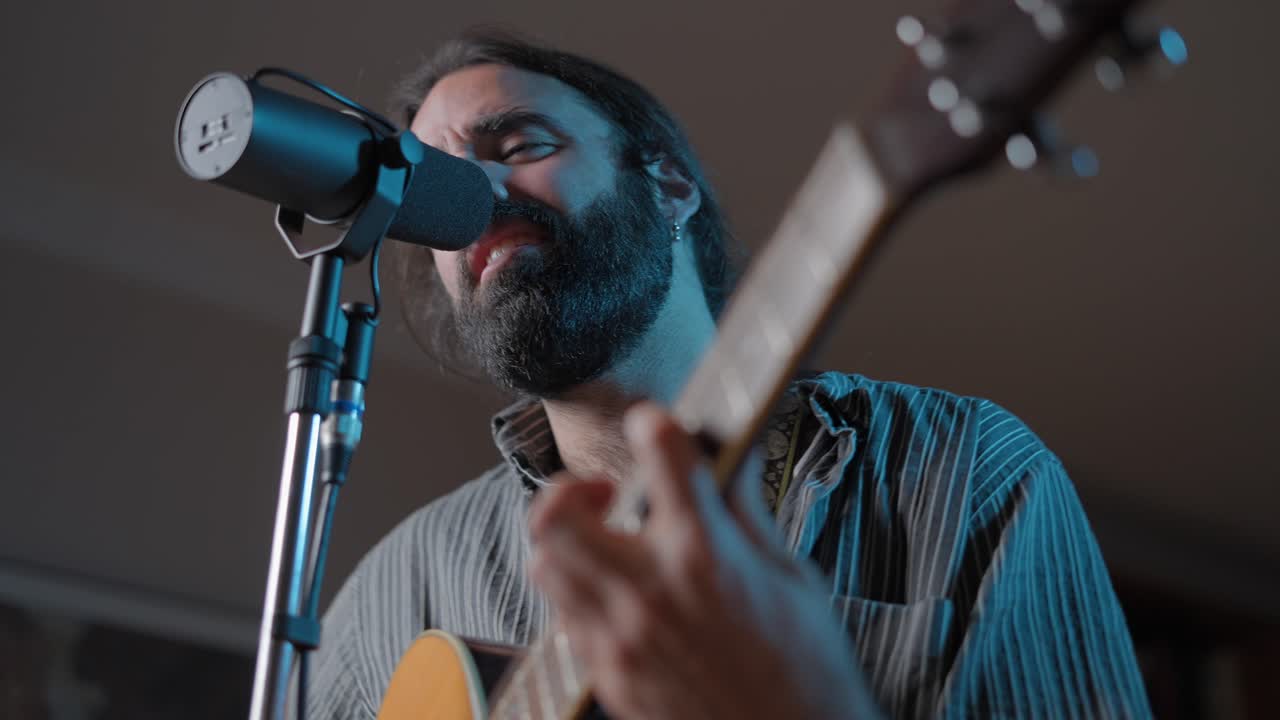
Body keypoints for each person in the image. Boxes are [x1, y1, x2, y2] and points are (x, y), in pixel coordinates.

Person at [304, 30, 1151, 719]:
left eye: (518, 142)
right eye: (436, 186)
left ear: (669, 185)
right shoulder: (394, 594)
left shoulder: (964, 470)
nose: (472, 192)